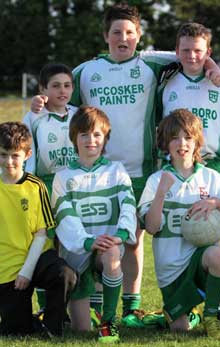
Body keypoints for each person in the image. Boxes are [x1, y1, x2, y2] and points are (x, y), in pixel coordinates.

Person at [31, 4, 220, 327]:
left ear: (139, 36)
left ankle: (131, 307)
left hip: (138, 172)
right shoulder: (86, 71)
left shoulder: (152, 63)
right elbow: (58, 89)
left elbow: (192, 54)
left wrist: (214, 68)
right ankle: (87, 305)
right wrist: (39, 102)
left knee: (131, 241)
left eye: (130, 32)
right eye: (116, 32)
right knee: (85, 238)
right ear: (105, 36)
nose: (123, 38)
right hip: (93, 170)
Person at [138, 109, 220, 339]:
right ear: (166, 143)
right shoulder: (156, 180)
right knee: (180, 329)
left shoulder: (211, 178)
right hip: (171, 270)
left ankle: (211, 317)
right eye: (175, 137)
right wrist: (161, 194)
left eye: (188, 137)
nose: (182, 143)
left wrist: (216, 203)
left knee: (218, 256)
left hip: (200, 261)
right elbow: (152, 228)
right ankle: (184, 312)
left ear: (197, 141)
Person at [0, 121, 76, 337]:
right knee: (14, 331)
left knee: (65, 274)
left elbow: (42, 232)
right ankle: (32, 321)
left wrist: (27, 271)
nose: (9, 161)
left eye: (15, 155)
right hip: (8, 266)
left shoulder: (36, 186)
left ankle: (52, 327)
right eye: (3, 155)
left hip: (38, 258)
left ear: (27, 154)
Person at [51, 106, 137, 342]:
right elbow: (65, 217)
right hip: (77, 253)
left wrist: (120, 235)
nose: (91, 140)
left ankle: (108, 322)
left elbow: (129, 205)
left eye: (97, 134)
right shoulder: (63, 177)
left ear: (105, 138)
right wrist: (87, 241)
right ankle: (90, 299)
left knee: (111, 254)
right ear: (74, 138)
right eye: (85, 135)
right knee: (80, 330)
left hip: (106, 249)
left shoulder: (116, 171)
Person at [23, 62, 77, 316]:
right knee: (48, 246)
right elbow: (27, 156)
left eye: (67, 85)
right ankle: (48, 308)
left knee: (77, 245)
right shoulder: (35, 118)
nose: (62, 91)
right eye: (55, 86)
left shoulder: (80, 115)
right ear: (43, 89)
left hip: (76, 189)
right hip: (45, 189)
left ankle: (88, 307)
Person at [157, 22, 220, 177]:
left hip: (212, 164)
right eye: (186, 50)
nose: (192, 56)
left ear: (208, 52)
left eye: (198, 50)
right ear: (177, 51)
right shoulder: (164, 81)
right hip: (173, 162)